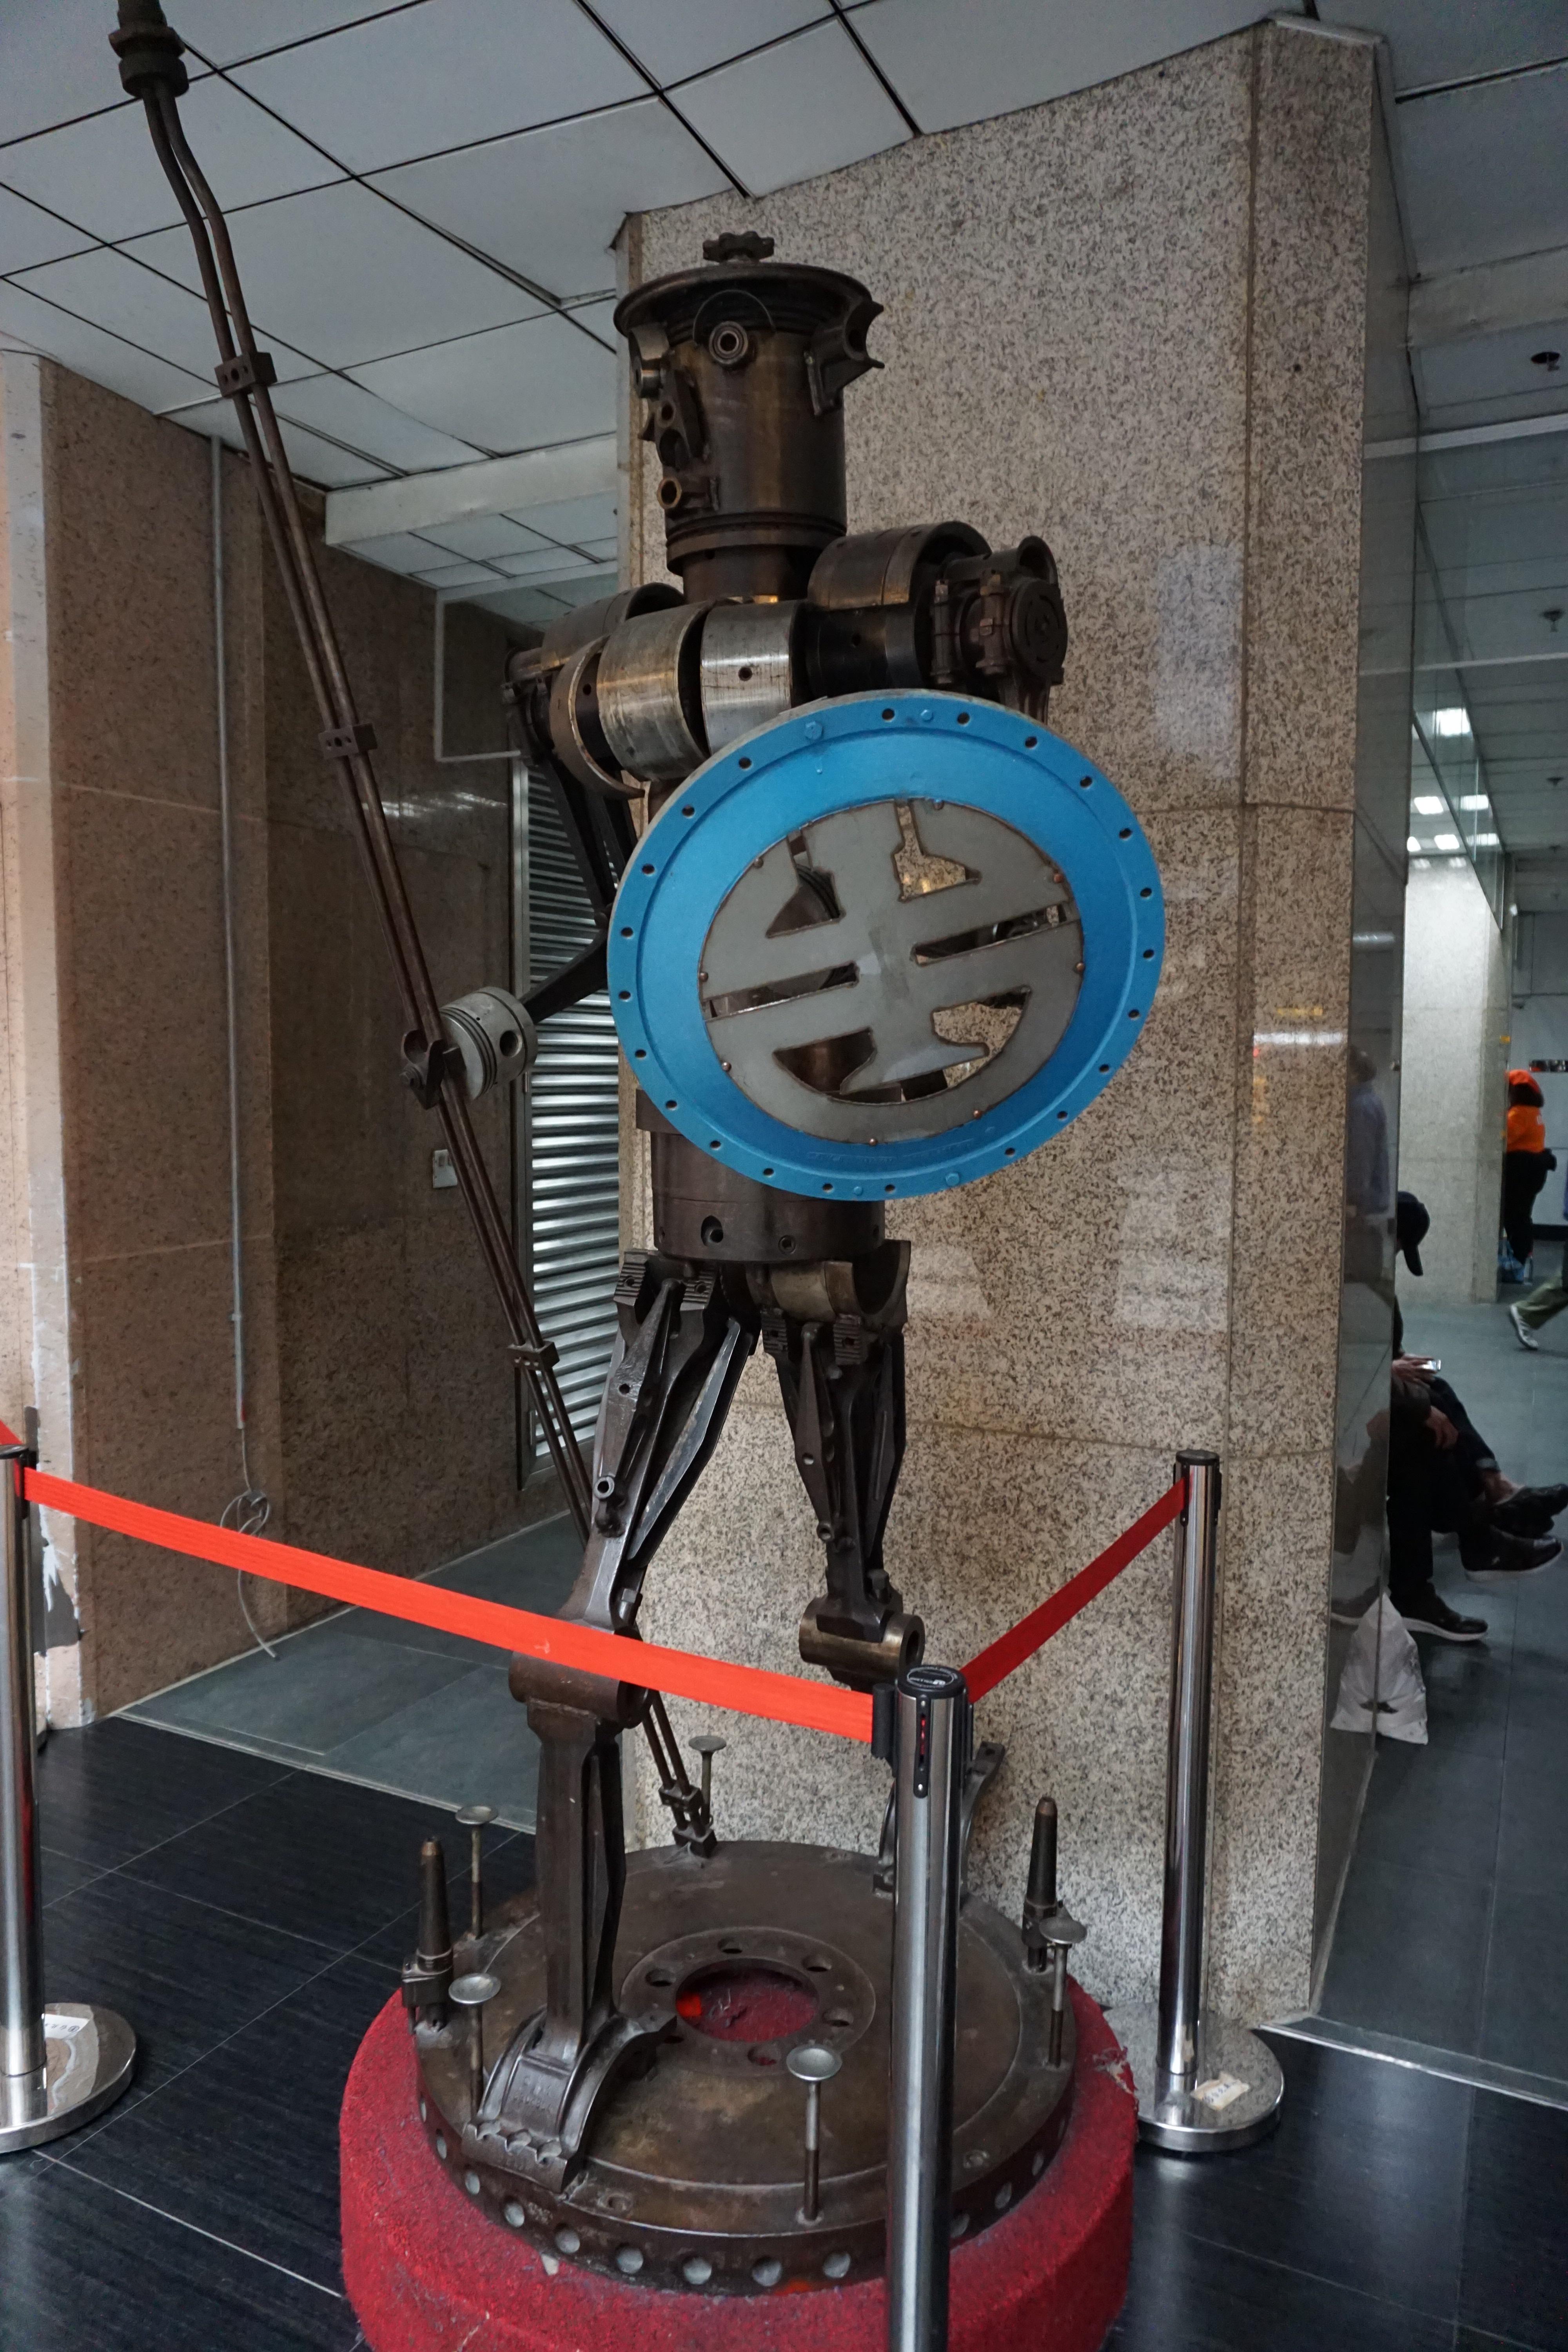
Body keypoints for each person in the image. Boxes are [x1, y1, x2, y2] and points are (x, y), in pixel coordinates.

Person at [1386, 1346, 1565, 1641]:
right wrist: (1390, 1373)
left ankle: (1493, 1498)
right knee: (1424, 1433)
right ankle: (1483, 1525)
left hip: (1369, 1378)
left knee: (1434, 1388)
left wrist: (1392, 1358)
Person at [1501, 1067, 1556, 1279]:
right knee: (1522, 1217)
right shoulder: (1534, 1112)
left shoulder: (1519, 1114)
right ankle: (1521, 1259)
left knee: (1515, 1217)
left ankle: (1518, 1263)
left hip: (1521, 1173)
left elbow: (1502, 1139)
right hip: (1533, 1172)